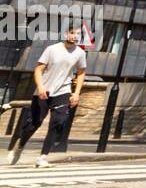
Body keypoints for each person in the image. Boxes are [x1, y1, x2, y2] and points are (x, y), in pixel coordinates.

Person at [6, 25, 87, 168]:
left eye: (78, 34)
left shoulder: (80, 53)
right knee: (34, 124)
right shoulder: (52, 49)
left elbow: (81, 73)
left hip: (63, 91)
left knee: (58, 122)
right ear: (66, 33)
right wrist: (41, 87)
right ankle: (20, 144)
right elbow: (38, 69)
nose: (74, 36)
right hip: (44, 91)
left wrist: (76, 93)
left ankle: (42, 157)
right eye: (72, 33)